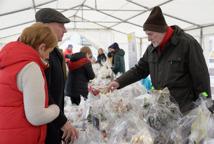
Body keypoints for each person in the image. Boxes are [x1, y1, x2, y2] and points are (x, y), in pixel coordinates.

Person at [107, 6, 211, 114]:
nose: (148, 38)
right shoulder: (151, 49)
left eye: (150, 34)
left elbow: (201, 78)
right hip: (162, 111)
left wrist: (206, 108)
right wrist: (118, 82)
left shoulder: (187, 44)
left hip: (184, 112)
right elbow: (139, 70)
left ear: (161, 30)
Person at [0, 23, 60, 144]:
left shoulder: (7, 61)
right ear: (42, 47)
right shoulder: (30, 67)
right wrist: (56, 109)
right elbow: (36, 117)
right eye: (49, 51)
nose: (48, 56)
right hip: (22, 137)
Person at [35, 8, 78, 144]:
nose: (65, 30)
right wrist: (62, 122)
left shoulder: (54, 52)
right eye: (61, 25)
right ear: (46, 26)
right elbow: (43, 93)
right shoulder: (39, 53)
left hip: (53, 123)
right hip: (43, 128)